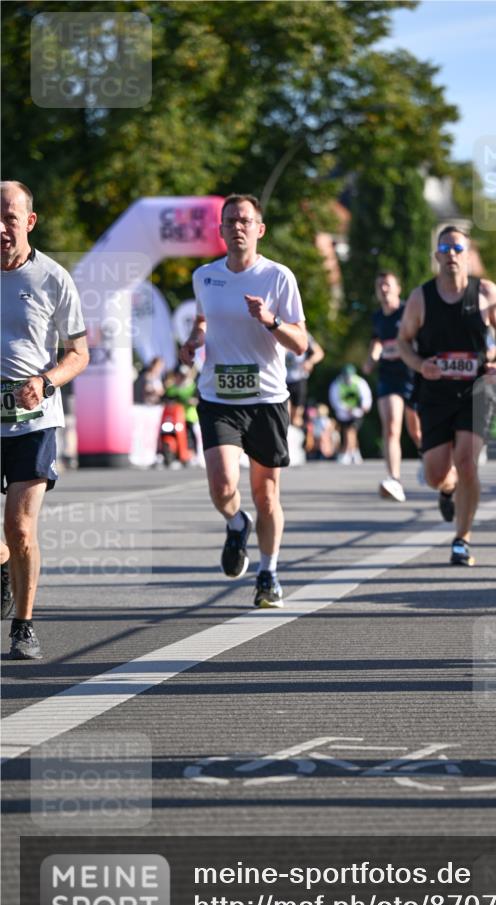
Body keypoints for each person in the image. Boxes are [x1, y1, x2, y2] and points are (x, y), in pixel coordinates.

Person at [179, 194, 307, 609]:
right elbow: (203, 318)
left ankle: (268, 574)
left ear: (259, 229)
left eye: (245, 220)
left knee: (267, 494)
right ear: (220, 230)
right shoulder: (204, 277)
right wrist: (195, 340)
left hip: (267, 398)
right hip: (218, 396)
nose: (237, 226)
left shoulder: (278, 277)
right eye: (230, 220)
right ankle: (236, 522)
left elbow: (301, 344)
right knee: (222, 486)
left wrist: (270, 321)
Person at [1, 180, 89, 658]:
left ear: (29, 221)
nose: (1, 227)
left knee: (19, 528)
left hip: (32, 420)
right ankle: (3, 568)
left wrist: (47, 380)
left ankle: (23, 625)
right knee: (2, 543)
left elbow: (79, 353)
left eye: (9, 218)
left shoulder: (53, 278)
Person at [397, 226, 496, 566]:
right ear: (436, 256)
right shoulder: (421, 297)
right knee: (436, 474)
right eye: (444, 248)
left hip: (475, 390)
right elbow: (403, 340)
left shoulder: (486, 292)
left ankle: (462, 539)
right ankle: (447, 490)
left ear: (467, 254)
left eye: (457, 248)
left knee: (466, 462)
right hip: (435, 391)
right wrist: (420, 364)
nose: (451, 254)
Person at [363, 271, 421, 503]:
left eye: (387, 285)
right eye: (379, 286)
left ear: (398, 288)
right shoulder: (378, 317)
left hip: (412, 375)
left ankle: (431, 462)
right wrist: (370, 359)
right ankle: (394, 479)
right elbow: (377, 341)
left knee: (416, 431)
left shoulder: (408, 311)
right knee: (391, 427)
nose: (383, 289)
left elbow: (420, 338)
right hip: (389, 377)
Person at [328, 364, 372, 464]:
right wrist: (345, 409)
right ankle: (355, 452)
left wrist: (364, 407)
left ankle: (346, 452)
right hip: (343, 413)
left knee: (351, 430)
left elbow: (366, 397)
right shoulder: (337, 383)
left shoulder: (360, 382)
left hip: (357, 412)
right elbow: (335, 400)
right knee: (349, 431)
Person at [285, 333, 324, 427]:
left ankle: (298, 438)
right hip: (282, 381)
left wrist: (310, 362)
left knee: (296, 416)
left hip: (299, 380)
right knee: (286, 414)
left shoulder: (303, 334)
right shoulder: (276, 328)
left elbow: (319, 353)